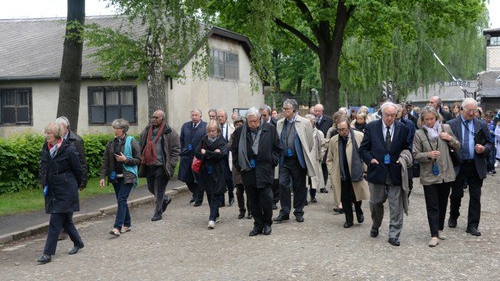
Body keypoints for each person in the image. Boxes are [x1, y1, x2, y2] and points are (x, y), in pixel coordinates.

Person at [359, 102, 410, 246]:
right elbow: (363, 149)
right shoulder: (371, 127)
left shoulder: (403, 129)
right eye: (387, 115)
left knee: (396, 205)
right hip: (377, 170)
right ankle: (376, 224)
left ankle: (394, 233)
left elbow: (407, 148)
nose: (390, 118)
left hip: (395, 170)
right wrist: (370, 160)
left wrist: (403, 158)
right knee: (375, 202)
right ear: (382, 114)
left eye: (393, 115)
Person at [412, 106, 460, 247]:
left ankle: (440, 229)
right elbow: (415, 154)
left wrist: (449, 138)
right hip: (429, 175)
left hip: (445, 173)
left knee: (443, 203)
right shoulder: (419, 134)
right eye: (426, 119)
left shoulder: (445, 128)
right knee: (432, 205)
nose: (429, 122)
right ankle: (433, 235)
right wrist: (428, 155)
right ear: (422, 120)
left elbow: (457, 146)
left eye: (432, 119)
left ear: (437, 118)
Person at [37, 123, 84, 264]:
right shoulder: (46, 149)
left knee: (55, 220)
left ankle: (47, 253)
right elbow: (43, 167)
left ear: (57, 135)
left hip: (66, 190)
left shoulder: (69, 150)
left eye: (49, 133)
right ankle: (78, 242)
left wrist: (71, 185)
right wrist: (43, 182)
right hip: (52, 190)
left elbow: (78, 171)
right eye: (46, 132)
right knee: (66, 220)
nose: (46, 136)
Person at [232, 107, 281, 236]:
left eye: (255, 121)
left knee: (266, 199)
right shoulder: (239, 132)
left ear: (259, 119)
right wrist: (238, 165)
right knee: (253, 200)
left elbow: (277, 148)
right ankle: (257, 224)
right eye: (250, 121)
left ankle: (267, 224)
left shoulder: (269, 129)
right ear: (247, 121)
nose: (253, 124)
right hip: (248, 171)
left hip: (265, 170)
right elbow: (235, 150)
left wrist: (272, 161)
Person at [447, 98, 493, 236]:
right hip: (458, 165)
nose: (472, 113)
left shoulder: (481, 124)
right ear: (461, 110)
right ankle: (454, 215)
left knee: (476, 196)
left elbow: (491, 144)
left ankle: (472, 225)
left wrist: (483, 149)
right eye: (469, 110)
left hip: (475, 164)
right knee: (456, 194)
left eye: (474, 110)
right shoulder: (451, 124)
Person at [274, 99, 315, 223]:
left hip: (298, 160)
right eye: (283, 108)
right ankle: (285, 212)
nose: (284, 111)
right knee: (282, 184)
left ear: (294, 110)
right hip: (284, 160)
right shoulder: (280, 123)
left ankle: (298, 211)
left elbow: (309, 142)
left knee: (299, 186)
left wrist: (302, 154)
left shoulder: (304, 122)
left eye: (287, 109)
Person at [100, 119, 142, 236]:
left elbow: (139, 160)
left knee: (121, 200)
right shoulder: (111, 143)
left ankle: (117, 227)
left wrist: (126, 160)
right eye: (114, 129)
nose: (115, 131)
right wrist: (102, 176)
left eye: (117, 129)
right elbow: (106, 161)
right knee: (121, 200)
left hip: (128, 176)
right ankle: (127, 224)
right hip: (115, 177)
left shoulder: (132, 142)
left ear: (123, 129)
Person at [327, 117, 369, 228]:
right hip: (341, 173)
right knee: (345, 197)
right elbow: (329, 158)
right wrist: (331, 171)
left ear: (349, 127)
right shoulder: (334, 140)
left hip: (355, 172)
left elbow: (364, 154)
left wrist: (365, 169)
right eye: (339, 129)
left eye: (344, 129)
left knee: (356, 196)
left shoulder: (358, 136)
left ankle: (359, 210)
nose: (342, 132)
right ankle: (348, 219)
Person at [51, 116, 88, 241]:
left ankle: (64, 229)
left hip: (70, 178)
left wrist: (82, 181)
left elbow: (82, 162)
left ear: (67, 128)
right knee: (58, 204)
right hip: (55, 180)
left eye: (60, 127)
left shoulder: (76, 140)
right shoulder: (51, 141)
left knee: (67, 204)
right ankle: (65, 230)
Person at [139, 110, 180, 221]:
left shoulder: (170, 132)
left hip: (162, 165)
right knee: (151, 187)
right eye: (153, 117)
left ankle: (158, 212)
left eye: (156, 117)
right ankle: (165, 200)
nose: (154, 119)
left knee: (159, 189)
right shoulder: (147, 130)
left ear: (162, 119)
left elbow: (176, 149)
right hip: (149, 164)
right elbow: (141, 144)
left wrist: (171, 163)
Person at [195, 120, 228, 229]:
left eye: (213, 130)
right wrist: (212, 154)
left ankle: (212, 219)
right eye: (210, 131)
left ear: (217, 131)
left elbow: (221, 154)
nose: (211, 133)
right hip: (206, 170)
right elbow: (197, 153)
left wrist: (207, 153)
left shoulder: (222, 140)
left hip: (218, 171)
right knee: (209, 193)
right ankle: (215, 214)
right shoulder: (204, 140)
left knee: (215, 194)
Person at [178, 109, 207, 206]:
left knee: (199, 178)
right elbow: (181, 140)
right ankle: (195, 193)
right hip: (186, 156)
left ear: (200, 116)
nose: (194, 117)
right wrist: (182, 151)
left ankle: (199, 199)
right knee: (186, 178)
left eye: (196, 115)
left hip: (198, 156)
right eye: (192, 115)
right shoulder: (185, 126)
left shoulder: (205, 126)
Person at [230, 117, 251, 219]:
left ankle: (250, 210)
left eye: (240, 124)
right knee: (239, 190)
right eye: (236, 124)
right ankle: (241, 209)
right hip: (237, 166)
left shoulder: (247, 134)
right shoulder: (233, 135)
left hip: (246, 165)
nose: (238, 126)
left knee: (249, 190)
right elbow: (229, 146)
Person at [259, 104, 279, 209]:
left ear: (269, 114)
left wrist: (275, 158)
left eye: (264, 115)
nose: (263, 118)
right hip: (262, 159)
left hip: (272, 156)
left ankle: (274, 200)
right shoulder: (257, 125)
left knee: (275, 180)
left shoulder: (275, 124)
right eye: (261, 115)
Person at [305, 114, 326, 203]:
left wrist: (320, 156)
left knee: (313, 179)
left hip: (315, 159)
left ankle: (313, 195)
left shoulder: (319, 133)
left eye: (309, 121)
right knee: (304, 180)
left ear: (313, 122)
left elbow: (323, 146)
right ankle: (304, 198)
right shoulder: (301, 132)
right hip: (305, 159)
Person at [314, 103, 334, 194]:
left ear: (322, 111)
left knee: (324, 165)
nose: (317, 112)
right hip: (315, 145)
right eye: (316, 110)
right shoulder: (311, 119)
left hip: (325, 146)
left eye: (319, 110)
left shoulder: (329, 120)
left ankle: (323, 186)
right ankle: (314, 185)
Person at [217, 109, 235, 206]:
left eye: (222, 116)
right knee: (221, 179)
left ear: (226, 117)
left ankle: (231, 195)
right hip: (219, 157)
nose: (220, 118)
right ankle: (221, 199)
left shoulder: (231, 128)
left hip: (228, 155)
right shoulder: (215, 128)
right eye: (218, 116)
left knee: (229, 178)